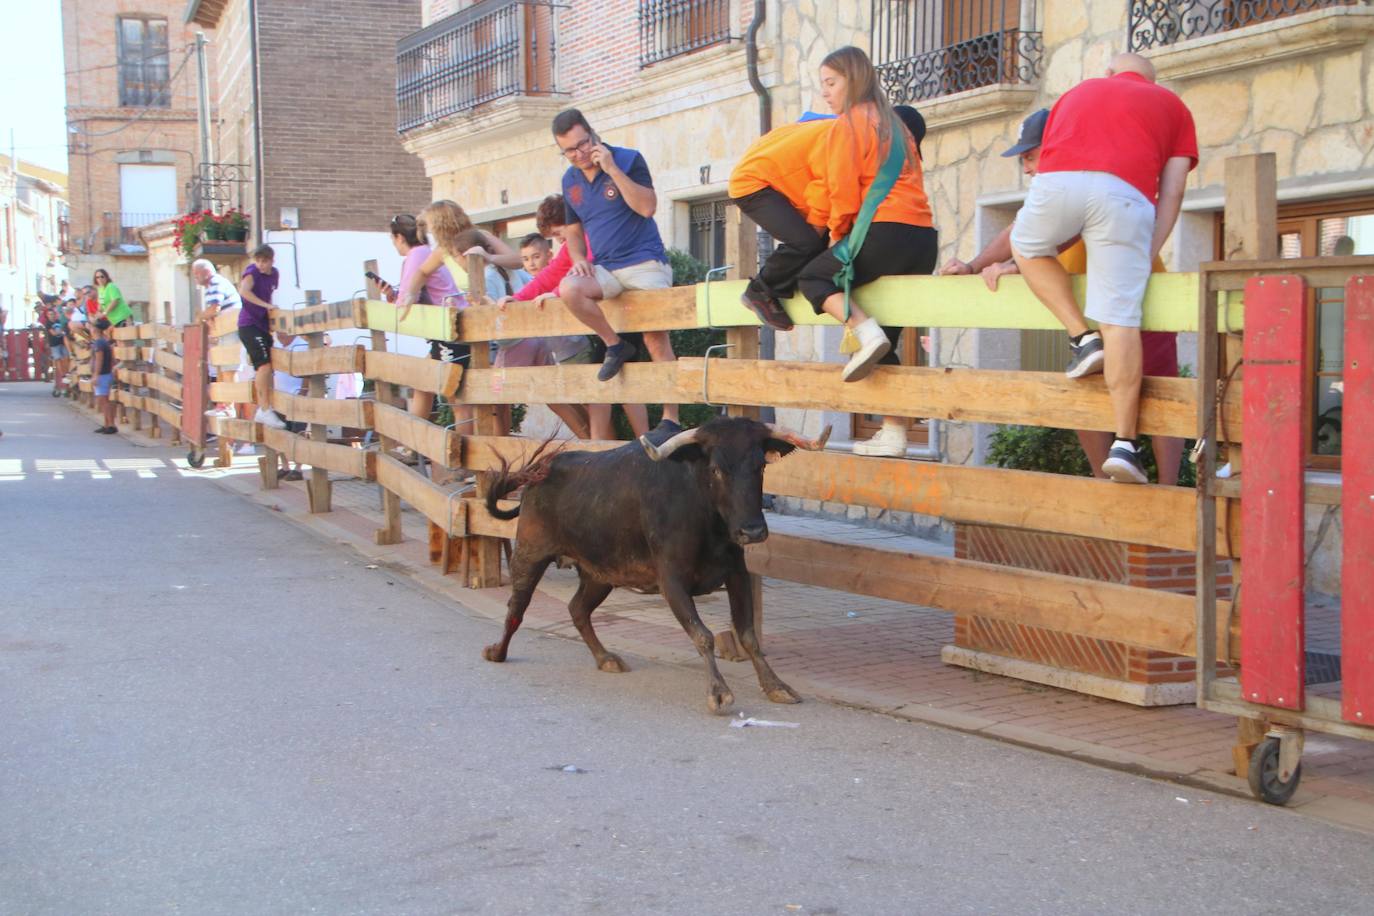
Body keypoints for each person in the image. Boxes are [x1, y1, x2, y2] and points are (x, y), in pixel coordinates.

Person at [942, 108, 1186, 485]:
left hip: (1140, 305)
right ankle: (1108, 489)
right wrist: (974, 266)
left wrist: (1017, 264)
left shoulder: (1078, 180)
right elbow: (1017, 229)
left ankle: (1170, 493)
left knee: (1159, 397)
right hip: (1090, 314)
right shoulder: (1055, 192)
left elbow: (1048, 233)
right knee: (1086, 400)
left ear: (1053, 148)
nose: (1026, 167)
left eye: (1030, 155)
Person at [1008, 53, 1197, 484]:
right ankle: (1126, 445)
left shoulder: (1077, 93)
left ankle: (1080, 335)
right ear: (1153, 79)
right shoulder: (1173, 106)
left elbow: (1051, 170)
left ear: (1110, 73)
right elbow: (1174, 189)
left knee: (1027, 244)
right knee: (1121, 322)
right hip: (1126, 194)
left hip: (1059, 184)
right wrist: (1148, 248)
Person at [792, 46, 938, 389]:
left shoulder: (848, 124)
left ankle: (864, 330)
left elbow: (842, 193)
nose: (825, 92)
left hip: (883, 233)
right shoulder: (896, 125)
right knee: (885, 341)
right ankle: (894, 430)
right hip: (922, 240)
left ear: (853, 80)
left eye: (831, 82)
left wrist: (835, 235)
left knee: (813, 278)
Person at [551, 109, 680, 428]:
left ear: (593, 135)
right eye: (569, 150)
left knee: (655, 340)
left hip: (644, 262)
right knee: (569, 289)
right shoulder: (570, 181)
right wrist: (579, 258)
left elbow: (647, 207)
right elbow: (574, 231)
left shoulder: (627, 159)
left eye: (582, 145)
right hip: (605, 268)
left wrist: (611, 168)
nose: (579, 154)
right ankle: (614, 343)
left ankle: (670, 418)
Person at [501, 194, 639, 440]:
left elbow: (588, 272)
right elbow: (553, 274)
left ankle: (639, 445)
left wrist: (555, 294)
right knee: (603, 386)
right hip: (608, 326)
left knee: (626, 386)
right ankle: (599, 452)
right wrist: (519, 298)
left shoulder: (593, 236)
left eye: (558, 233)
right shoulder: (573, 243)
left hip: (626, 314)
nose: (559, 239)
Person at [374, 213, 473, 440]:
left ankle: (465, 460)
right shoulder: (425, 252)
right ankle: (414, 442)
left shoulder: (416, 256)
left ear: (399, 237)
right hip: (445, 329)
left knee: (456, 399)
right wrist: (395, 295)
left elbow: (408, 297)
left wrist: (396, 301)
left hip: (450, 331)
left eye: (393, 240)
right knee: (423, 383)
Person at [237, 245, 287, 430]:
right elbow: (244, 291)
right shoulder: (252, 272)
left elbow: (269, 294)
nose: (260, 265)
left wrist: (271, 312)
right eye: (258, 260)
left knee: (268, 367)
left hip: (262, 325)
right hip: (249, 324)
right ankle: (264, 409)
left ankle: (267, 407)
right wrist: (265, 306)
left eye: (264, 261)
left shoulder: (274, 274)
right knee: (263, 365)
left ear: (272, 261)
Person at [272, 331, 309, 480]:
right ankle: (285, 466)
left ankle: (298, 468)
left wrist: (303, 391)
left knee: (298, 432)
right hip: (279, 396)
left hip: (297, 396)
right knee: (280, 431)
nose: (279, 334)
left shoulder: (302, 346)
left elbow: (307, 371)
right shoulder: (276, 344)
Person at [90, 317, 117, 434]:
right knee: (103, 400)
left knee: (104, 400)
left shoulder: (99, 343)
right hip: (106, 374)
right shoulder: (103, 342)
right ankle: (107, 424)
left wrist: (96, 375)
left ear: (95, 329)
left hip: (103, 375)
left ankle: (111, 424)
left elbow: (99, 360)